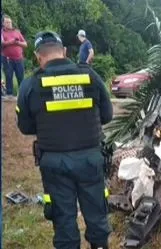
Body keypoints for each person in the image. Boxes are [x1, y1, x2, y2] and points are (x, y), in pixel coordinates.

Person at [16, 31, 113, 249]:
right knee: (97, 213)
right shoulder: (91, 76)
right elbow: (107, 115)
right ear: (65, 52)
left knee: (63, 219)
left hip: (54, 162)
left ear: (37, 56)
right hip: (90, 159)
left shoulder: (30, 85)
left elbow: (25, 126)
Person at [1, 15, 27, 99]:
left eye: (10, 22)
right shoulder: (2, 32)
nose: (9, 24)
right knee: (8, 76)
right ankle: (9, 95)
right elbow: (2, 43)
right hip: (7, 59)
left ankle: (22, 95)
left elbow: (25, 44)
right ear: (3, 23)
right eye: (7, 22)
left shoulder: (17, 32)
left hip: (19, 58)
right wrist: (12, 41)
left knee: (21, 77)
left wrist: (18, 43)